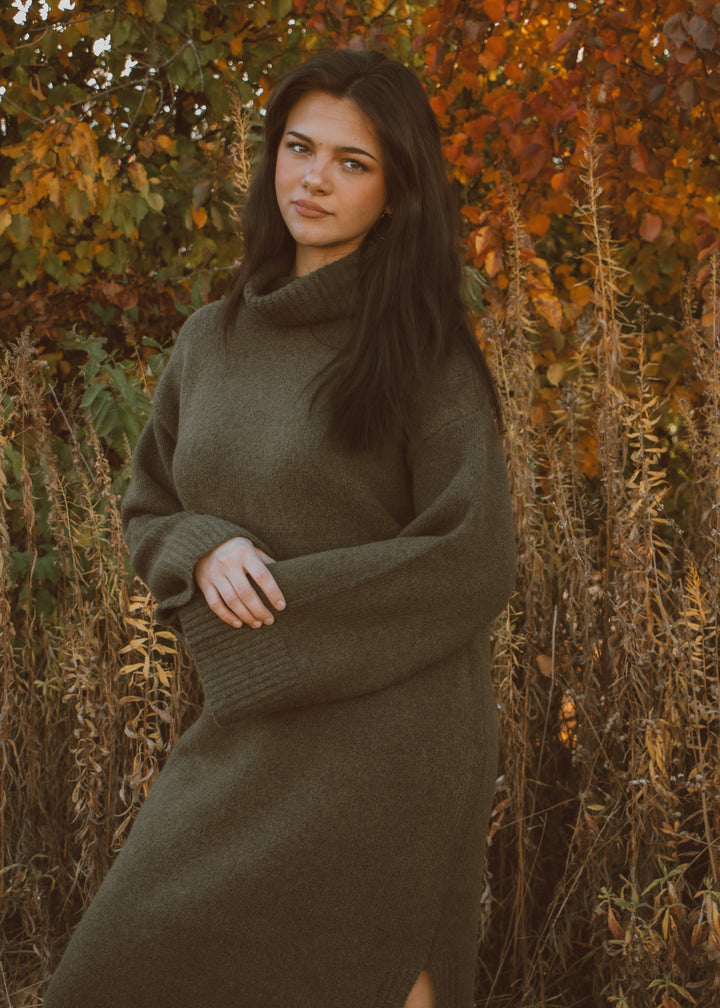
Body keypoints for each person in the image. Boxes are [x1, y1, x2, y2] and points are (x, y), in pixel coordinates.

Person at [44, 49, 515, 1008]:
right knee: (118, 966)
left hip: (393, 734)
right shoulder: (207, 341)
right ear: (271, 160)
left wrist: (271, 628)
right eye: (300, 148)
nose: (315, 178)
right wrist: (200, 546)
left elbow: (474, 558)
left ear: (396, 192)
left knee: (378, 979)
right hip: (252, 724)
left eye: (353, 162)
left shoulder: (424, 352)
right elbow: (149, 504)